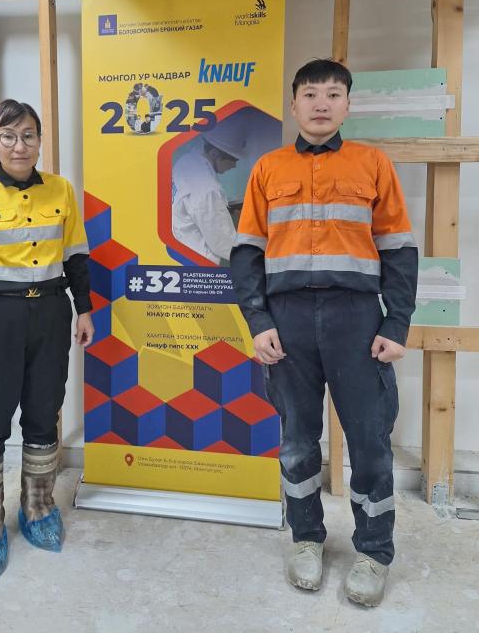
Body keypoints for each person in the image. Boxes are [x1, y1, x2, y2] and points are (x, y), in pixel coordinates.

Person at [231, 59, 417, 607]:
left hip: (356, 320)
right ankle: (307, 538)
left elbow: (399, 249)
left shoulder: (373, 164)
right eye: (310, 94)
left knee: (370, 442)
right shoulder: (268, 169)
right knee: (296, 442)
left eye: (333, 94)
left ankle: (374, 551)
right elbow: (247, 253)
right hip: (287, 321)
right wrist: (258, 321)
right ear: (294, 105)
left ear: (347, 104)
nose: (321, 104)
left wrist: (397, 322)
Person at [0, 99, 94, 580]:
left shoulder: (60, 190)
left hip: (50, 311)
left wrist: (84, 308)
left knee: (44, 410)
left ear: (39, 140)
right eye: (7, 136)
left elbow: (76, 256)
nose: (19, 146)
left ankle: (38, 509)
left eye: (28, 135)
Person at [172, 126, 245, 265]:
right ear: (215, 154)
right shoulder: (207, 188)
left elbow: (194, 207)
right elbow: (222, 242)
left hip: (182, 248)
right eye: (234, 160)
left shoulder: (185, 161)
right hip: (199, 262)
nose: (234, 166)